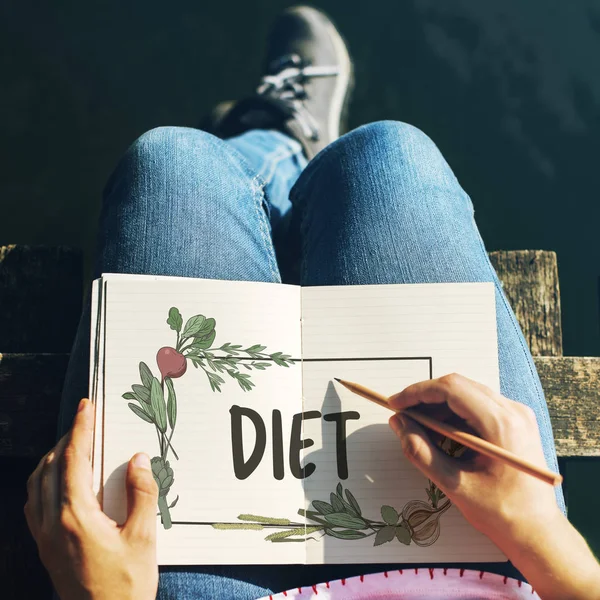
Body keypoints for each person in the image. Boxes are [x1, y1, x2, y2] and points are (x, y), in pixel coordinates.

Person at [24, 6, 600, 599]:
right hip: (475, 576)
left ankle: (267, 149)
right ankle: (284, 154)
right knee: (387, 155)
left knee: (172, 163)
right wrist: (549, 540)